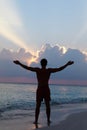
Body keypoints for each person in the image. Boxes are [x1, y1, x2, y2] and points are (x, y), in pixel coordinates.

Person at [13, 59, 74, 125]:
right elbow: (59, 69)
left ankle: (36, 121)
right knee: (47, 105)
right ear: (46, 64)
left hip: (40, 89)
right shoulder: (48, 71)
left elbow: (28, 68)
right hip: (46, 89)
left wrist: (19, 63)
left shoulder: (38, 70)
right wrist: (67, 64)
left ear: (40, 63)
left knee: (38, 106)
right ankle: (48, 120)